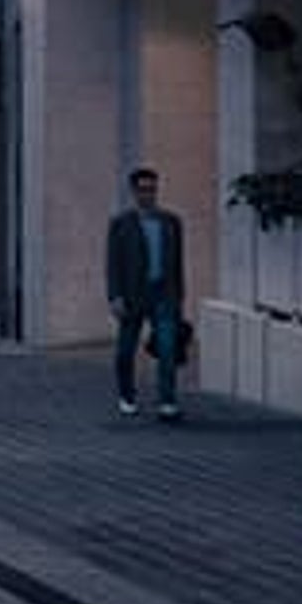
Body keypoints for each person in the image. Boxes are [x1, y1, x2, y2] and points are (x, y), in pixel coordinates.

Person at [105, 164, 189, 422]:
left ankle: (167, 401)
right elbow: (113, 263)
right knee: (125, 351)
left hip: (164, 294)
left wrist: (179, 296)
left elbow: (178, 262)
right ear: (133, 191)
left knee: (166, 348)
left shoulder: (171, 222)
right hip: (132, 295)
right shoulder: (121, 223)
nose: (148, 195)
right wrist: (115, 296)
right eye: (142, 190)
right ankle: (127, 396)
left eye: (152, 189)